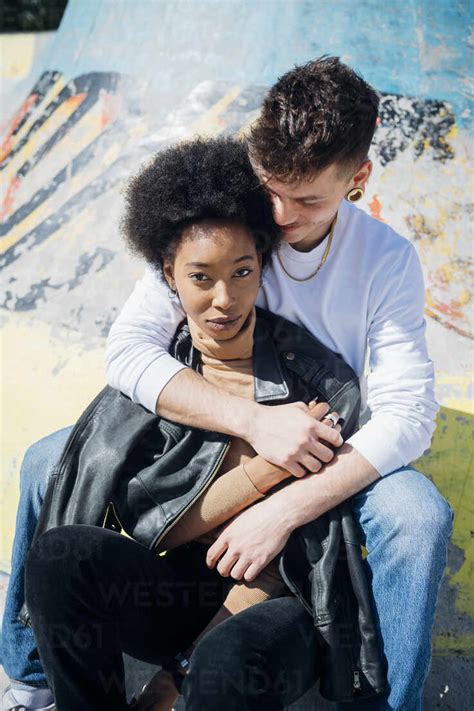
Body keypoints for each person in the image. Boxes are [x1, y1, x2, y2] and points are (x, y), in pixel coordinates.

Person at [1, 56, 452, 711]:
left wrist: (285, 506)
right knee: (48, 459)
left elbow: (409, 413)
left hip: (330, 438)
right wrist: (252, 423)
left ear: (357, 181)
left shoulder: (384, 259)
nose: (279, 213)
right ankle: (33, 675)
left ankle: (386, 703)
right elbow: (129, 350)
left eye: (307, 201)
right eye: (271, 188)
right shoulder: (223, 213)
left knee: (417, 516)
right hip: (219, 426)